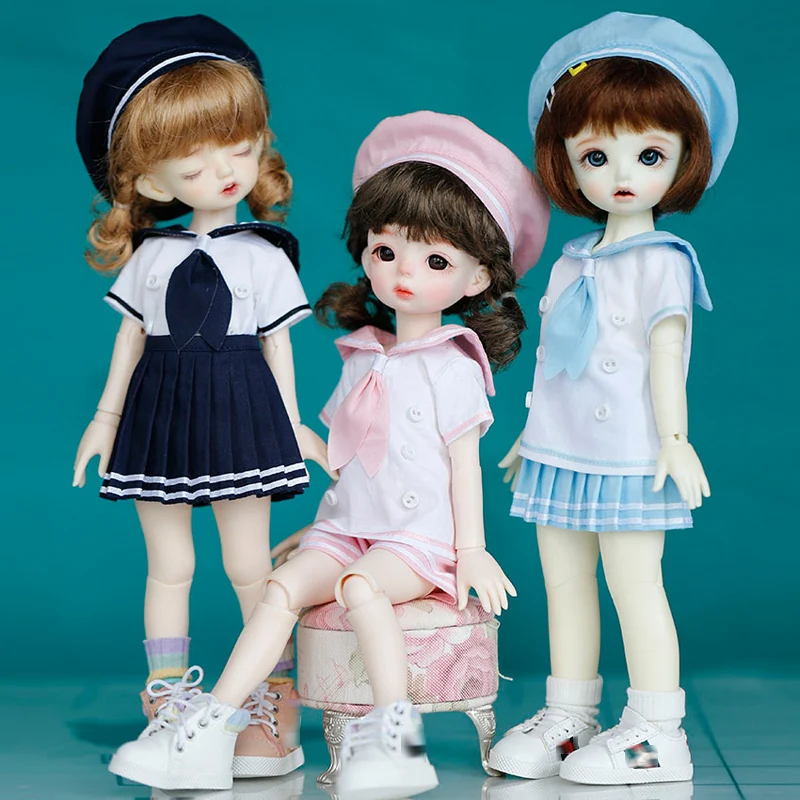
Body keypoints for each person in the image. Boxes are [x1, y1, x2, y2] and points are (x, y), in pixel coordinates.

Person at [107, 110, 551, 797]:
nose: (404, 273)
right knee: (280, 589)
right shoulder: (363, 353)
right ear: (365, 250)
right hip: (349, 526)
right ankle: (208, 729)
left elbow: (462, 466)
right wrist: (313, 483)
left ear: (475, 280)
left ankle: (396, 737)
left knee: (360, 588)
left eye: (435, 261)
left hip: (416, 538)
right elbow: (352, 455)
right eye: (386, 251)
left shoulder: (454, 364)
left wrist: (472, 549)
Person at [72, 15, 330, 779]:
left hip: (242, 411)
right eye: (194, 160)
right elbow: (129, 341)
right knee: (170, 565)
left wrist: (294, 424)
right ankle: (168, 700)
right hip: (158, 416)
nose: (223, 170)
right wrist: (104, 418)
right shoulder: (152, 256)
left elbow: (278, 346)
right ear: (152, 182)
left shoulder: (265, 256)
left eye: (239, 147)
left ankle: (269, 702)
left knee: (250, 566)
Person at [488, 12, 738, 786]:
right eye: (596, 155)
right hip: (559, 448)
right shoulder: (571, 260)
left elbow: (666, 356)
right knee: (565, 583)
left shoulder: (664, 261)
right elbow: (556, 365)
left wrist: (675, 440)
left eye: (650, 154)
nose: (622, 173)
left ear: (685, 158)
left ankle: (658, 730)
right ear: (565, 160)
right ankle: (571, 714)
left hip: (631, 448)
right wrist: (531, 432)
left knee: (635, 584)